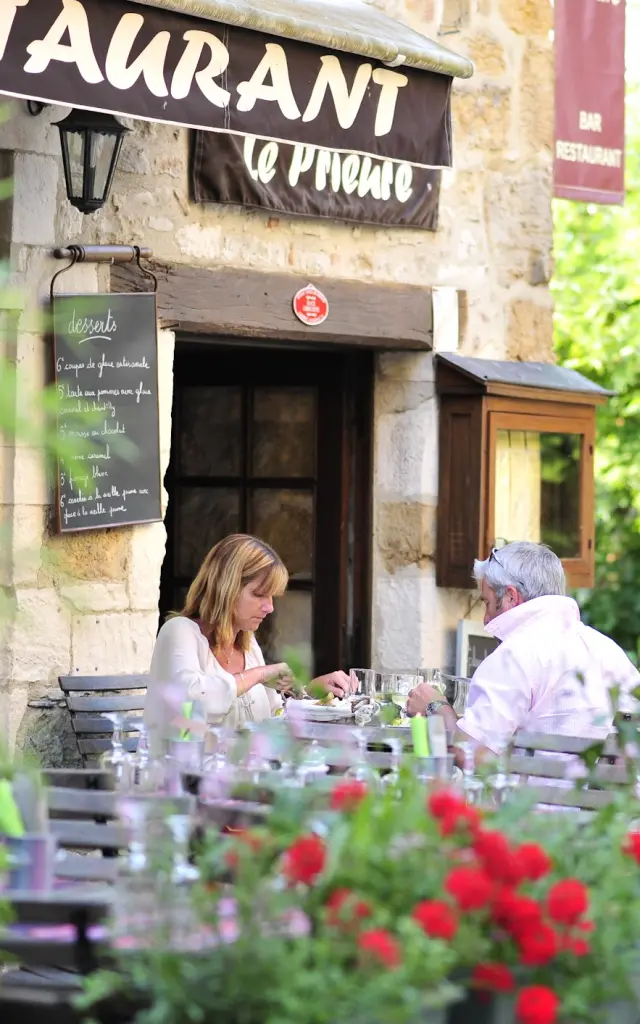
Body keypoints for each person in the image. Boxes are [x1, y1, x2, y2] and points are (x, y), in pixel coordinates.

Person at [406, 541, 640, 754]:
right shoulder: (608, 649)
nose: (485, 619)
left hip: (534, 799)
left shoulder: (514, 655)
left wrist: (435, 708)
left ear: (510, 596)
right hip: (607, 800)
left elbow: (470, 754)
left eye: (487, 603)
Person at [144, 534, 354, 753]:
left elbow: (273, 718)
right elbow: (191, 701)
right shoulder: (180, 631)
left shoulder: (246, 642)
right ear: (226, 588)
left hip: (248, 779)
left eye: (272, 597)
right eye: (259, 595)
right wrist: (259, 675)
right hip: (187, 781)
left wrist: (312, 694)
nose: (270, 607)